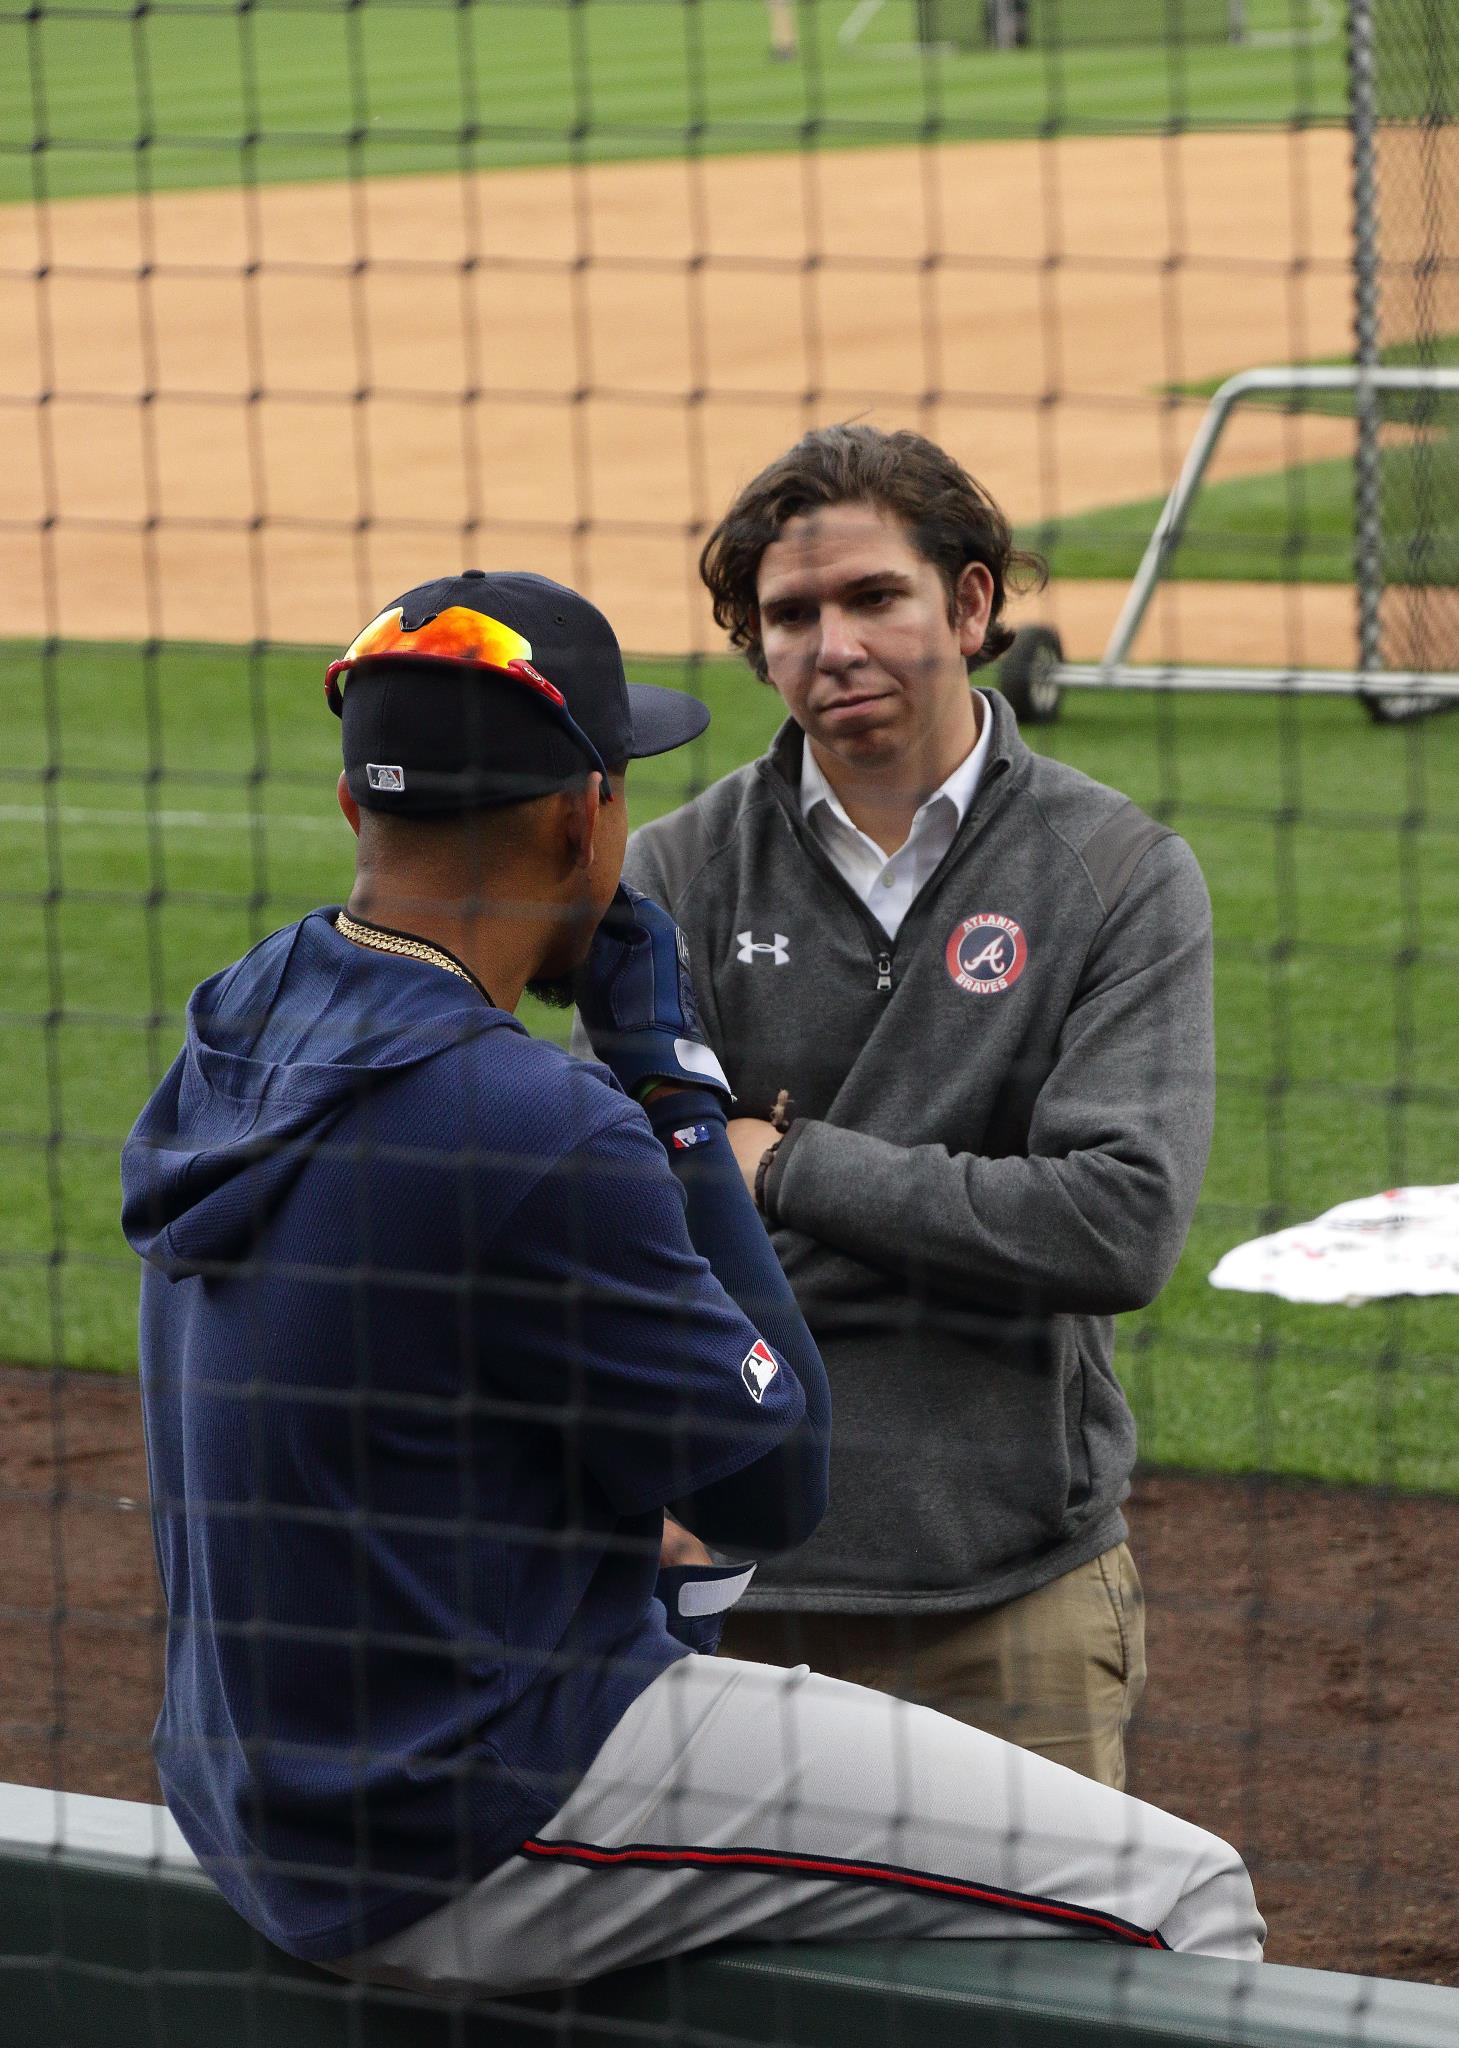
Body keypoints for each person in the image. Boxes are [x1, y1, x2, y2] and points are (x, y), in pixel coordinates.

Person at [121, 570, 1259, 2000]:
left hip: (260, 1794)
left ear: (361, 808)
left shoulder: (236, 1026)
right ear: (584, 813)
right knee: (1182, 1898)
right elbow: (774, 1484)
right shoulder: (530, 1121)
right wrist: (677, 1099)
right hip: (463, 1816)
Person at [614, 425, 1217, 1791]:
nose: (832, 644)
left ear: (971, 601)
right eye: (789, 615)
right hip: (736, 1591)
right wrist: (964, 1204)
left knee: (1038, 2012)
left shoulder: (1115, 873)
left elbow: (1112, 1227)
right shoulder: (678, 868)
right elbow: (636, 1215)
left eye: (873, 597)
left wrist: (779, 1167)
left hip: (1008, 1608)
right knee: (739, 2012)